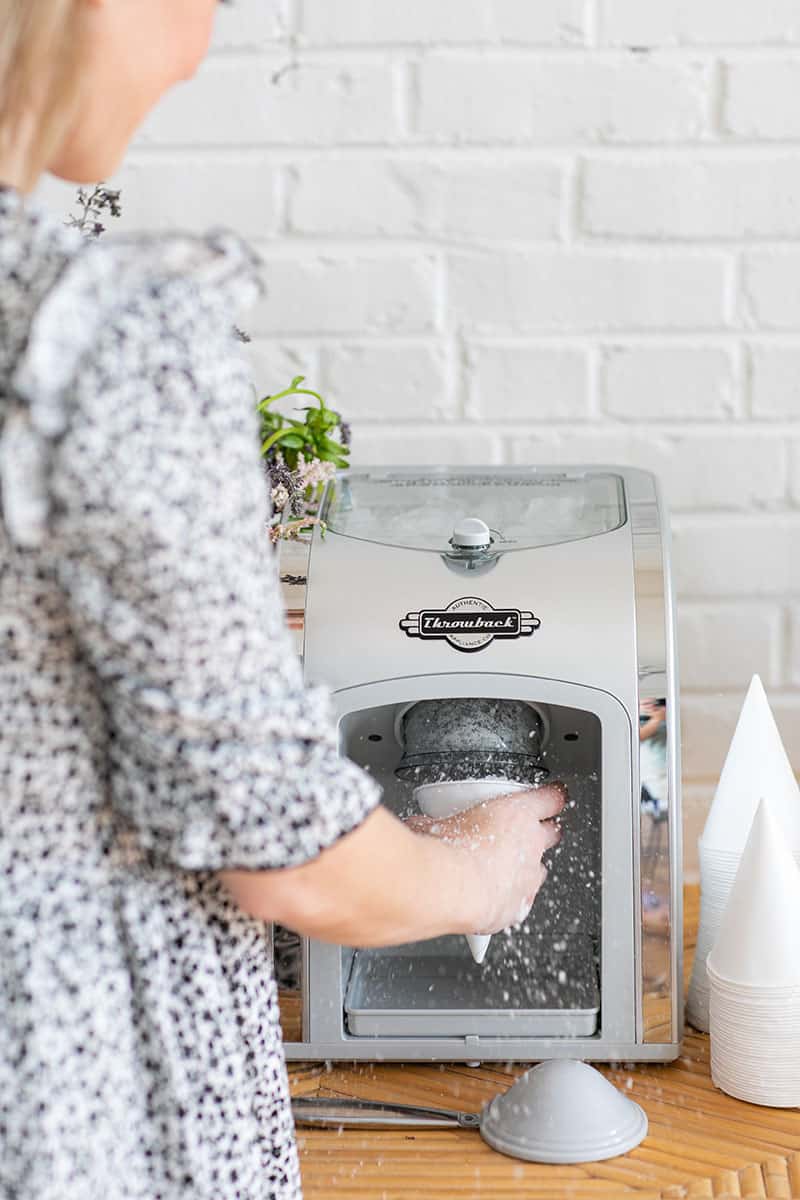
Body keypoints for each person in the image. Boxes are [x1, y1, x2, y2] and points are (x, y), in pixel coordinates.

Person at [0, 2, 566, 1197]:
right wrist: (479, 868)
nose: (195, 48)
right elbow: (281, 856)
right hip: (70, 1090)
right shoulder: (95, 337)